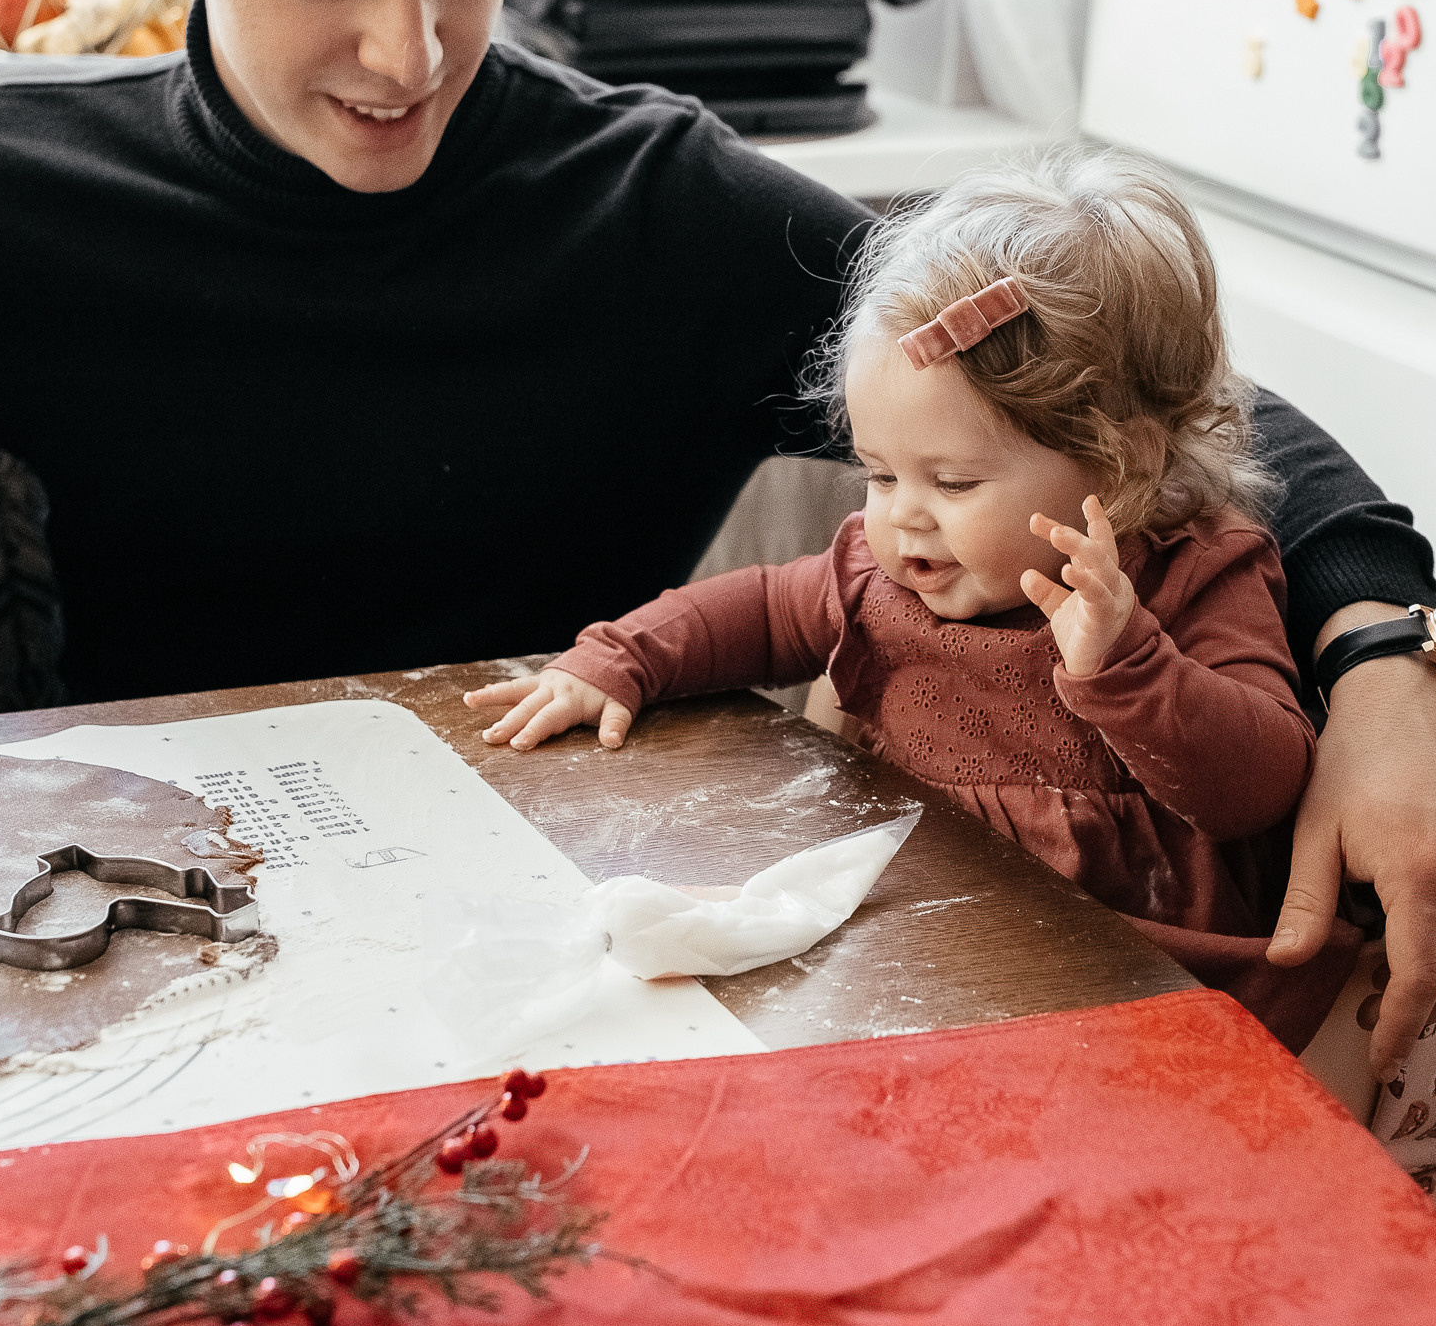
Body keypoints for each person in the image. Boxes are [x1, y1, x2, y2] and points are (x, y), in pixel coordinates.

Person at [0, 0, 1436, 1078]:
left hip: (572, 954)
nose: (410, 49)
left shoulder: (654, 204)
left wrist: (1386, 658)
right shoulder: (11, 198)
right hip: (145, 931)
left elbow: (1157, 398)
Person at [466, 151, 1351, 1041]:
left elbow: (1261, 787)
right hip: (920, 953)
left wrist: (1130, 667)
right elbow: (762, 610)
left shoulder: (1196, 577)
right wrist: (621, 659)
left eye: (953, 483)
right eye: (881, 475)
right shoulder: (881, 573)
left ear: (1122, 466)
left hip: (1133, 989)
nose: (902, 520)